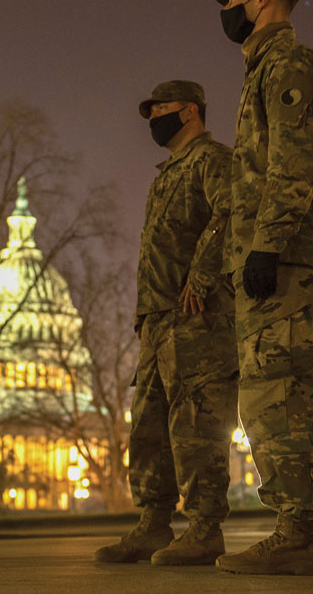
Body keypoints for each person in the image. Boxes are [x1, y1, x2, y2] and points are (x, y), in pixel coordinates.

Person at [211, 0, 313, 576]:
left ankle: (298, 534)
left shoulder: (289, 64)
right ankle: (293, 528)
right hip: (272, 253)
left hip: (285, 256)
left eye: (231, 0)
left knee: (280, 392)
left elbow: (294, 162)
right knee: (267, 394)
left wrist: (266, 245)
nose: (226, 12)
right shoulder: (264, 68)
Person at [95, 80, 237, 566]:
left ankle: (204, 528)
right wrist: (144, 318)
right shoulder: (165, 175)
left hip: (197, 319)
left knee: (197, 424)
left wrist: (202, 274)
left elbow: (232, 212)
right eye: (151, 111)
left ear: (191, 111)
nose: (154, 118)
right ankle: (154, 522)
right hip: (157, 322)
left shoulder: (213, 161)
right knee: (149, 427)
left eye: (162, 109)